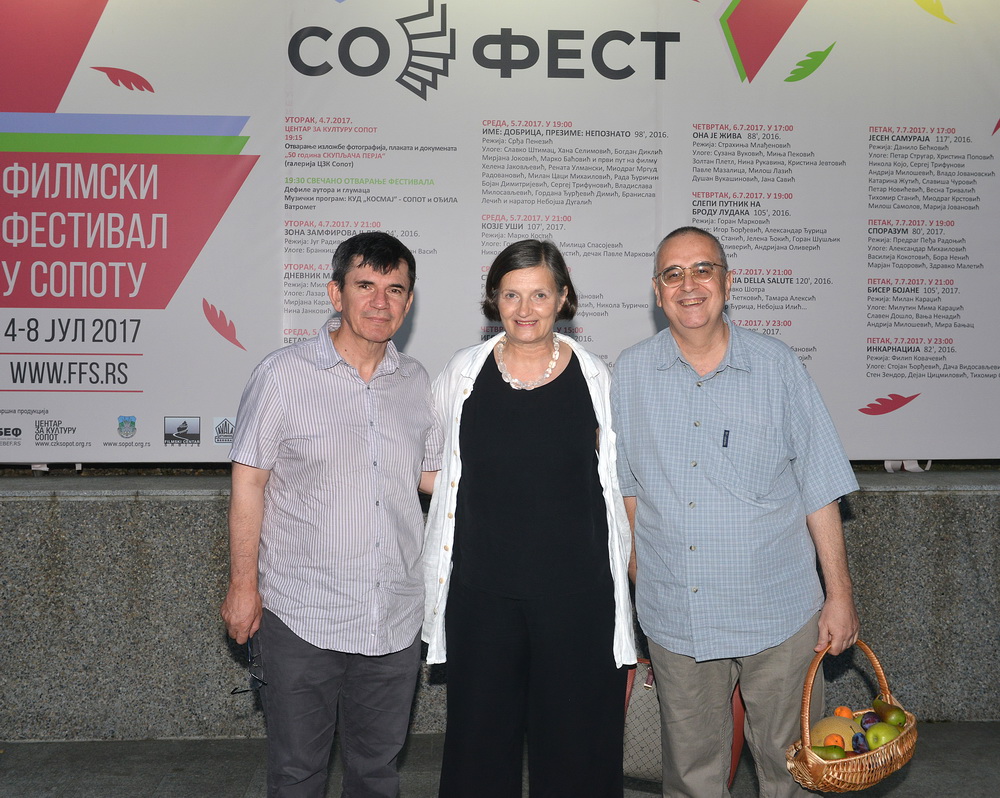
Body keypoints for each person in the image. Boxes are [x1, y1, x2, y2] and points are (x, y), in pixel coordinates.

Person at [610, 226, 860, 798]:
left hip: (779, 615)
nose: (689, 284)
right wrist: (644, 581)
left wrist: (840, 595)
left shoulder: (778, 367)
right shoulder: (630, 374)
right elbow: (626, 491)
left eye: (703, 269)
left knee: (792, 772)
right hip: (678, 619)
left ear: (727, 282)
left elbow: (820, 486)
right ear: (657, 291)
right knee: (692, 776)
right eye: (673, 274)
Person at [221, 231, 443, 798]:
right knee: (297, 773)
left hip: (393, 617)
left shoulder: (417, 383)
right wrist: (243, 585)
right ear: (335, 293)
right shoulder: (282, 375)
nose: (380, 301)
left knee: (377, 773)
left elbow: (433, 477)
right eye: (365, 285)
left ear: (409, 302)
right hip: (303, 614)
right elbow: (248, 482)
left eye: (395, 289)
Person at [423, 239, 636, 798]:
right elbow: (429, 465)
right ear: (494, 299)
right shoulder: (463, 373)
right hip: (482, 598)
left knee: (577, 752)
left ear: (563, 298)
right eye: (511, 295)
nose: (525, 309)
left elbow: (619, 483)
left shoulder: (597, 378)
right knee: (478, 750)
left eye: (539, 294)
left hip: (579, 600)